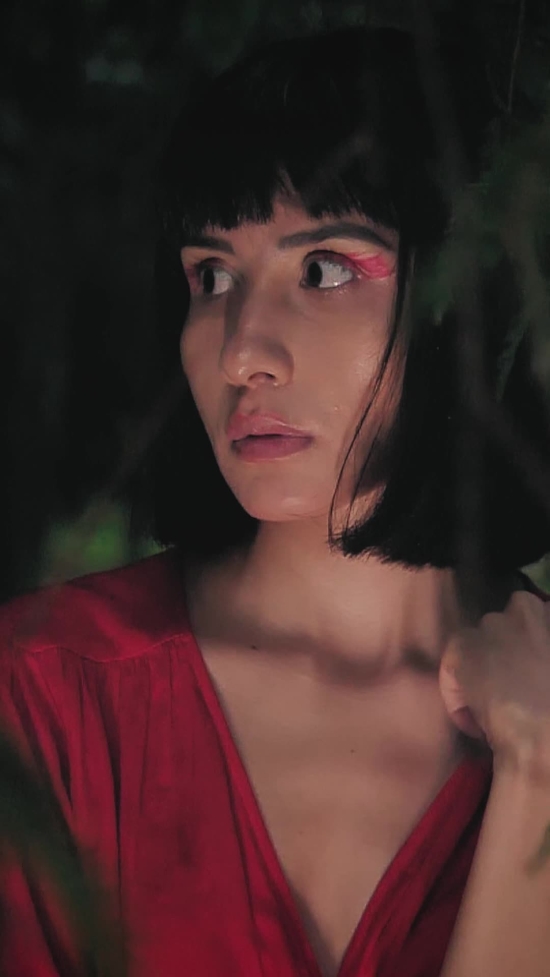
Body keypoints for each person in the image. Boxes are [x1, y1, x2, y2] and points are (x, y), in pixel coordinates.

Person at [1, 25, 550, 977]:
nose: (242, 350)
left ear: (473, 295)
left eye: (325, 268)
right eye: (212, 277)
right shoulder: (41, 695)